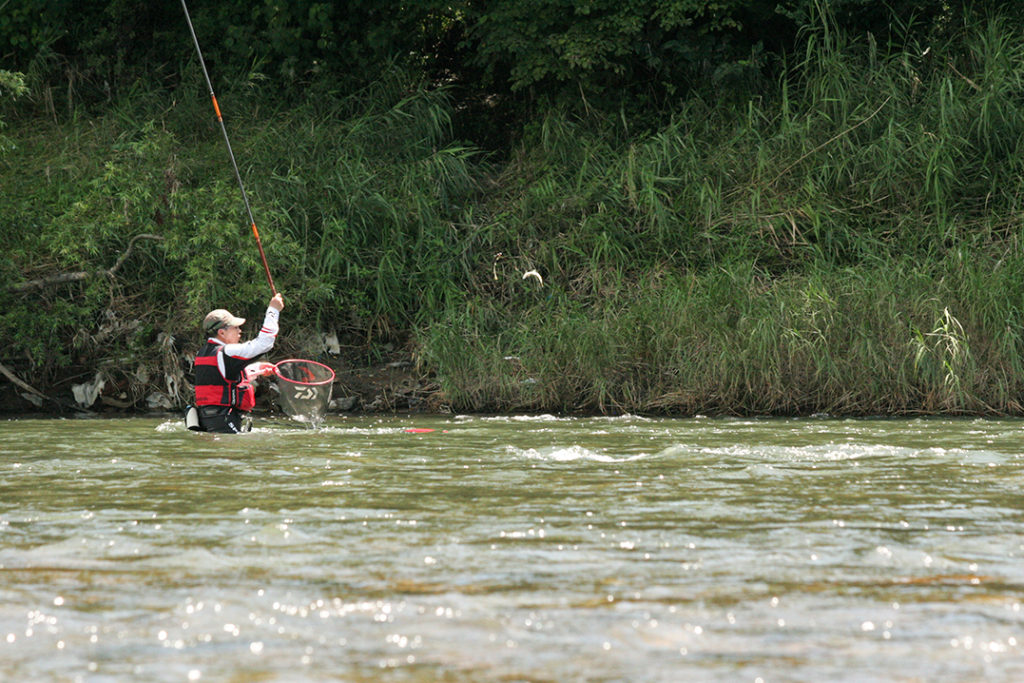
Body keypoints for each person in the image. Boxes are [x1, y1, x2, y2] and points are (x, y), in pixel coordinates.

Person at [190, 293, 284, 433]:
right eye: (235, 328)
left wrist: (257, 369)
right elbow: (265, 343)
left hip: (207, 419)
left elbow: (223, 378)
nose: (240, 331)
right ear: (222, 333)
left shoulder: (203, 353)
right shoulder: (227, 351)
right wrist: (273, 310)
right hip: (225, 419)